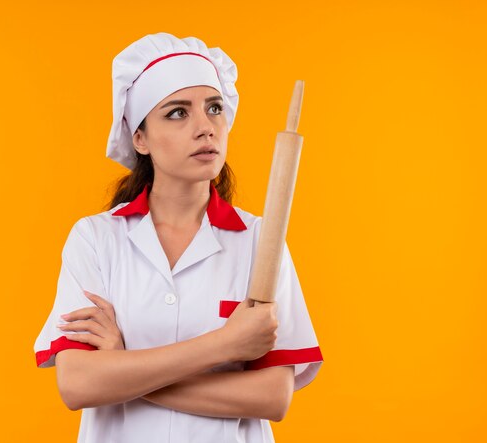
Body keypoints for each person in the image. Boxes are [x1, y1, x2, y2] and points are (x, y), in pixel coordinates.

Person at [34, 32, 323, 442]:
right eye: (176, 113)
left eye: (214, 108)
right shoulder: (96, 239)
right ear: (140, 139)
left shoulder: (260, 240)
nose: (205, 128)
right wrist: (227, 343)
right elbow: (79, 385)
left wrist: (124, 370)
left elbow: (272, 397)